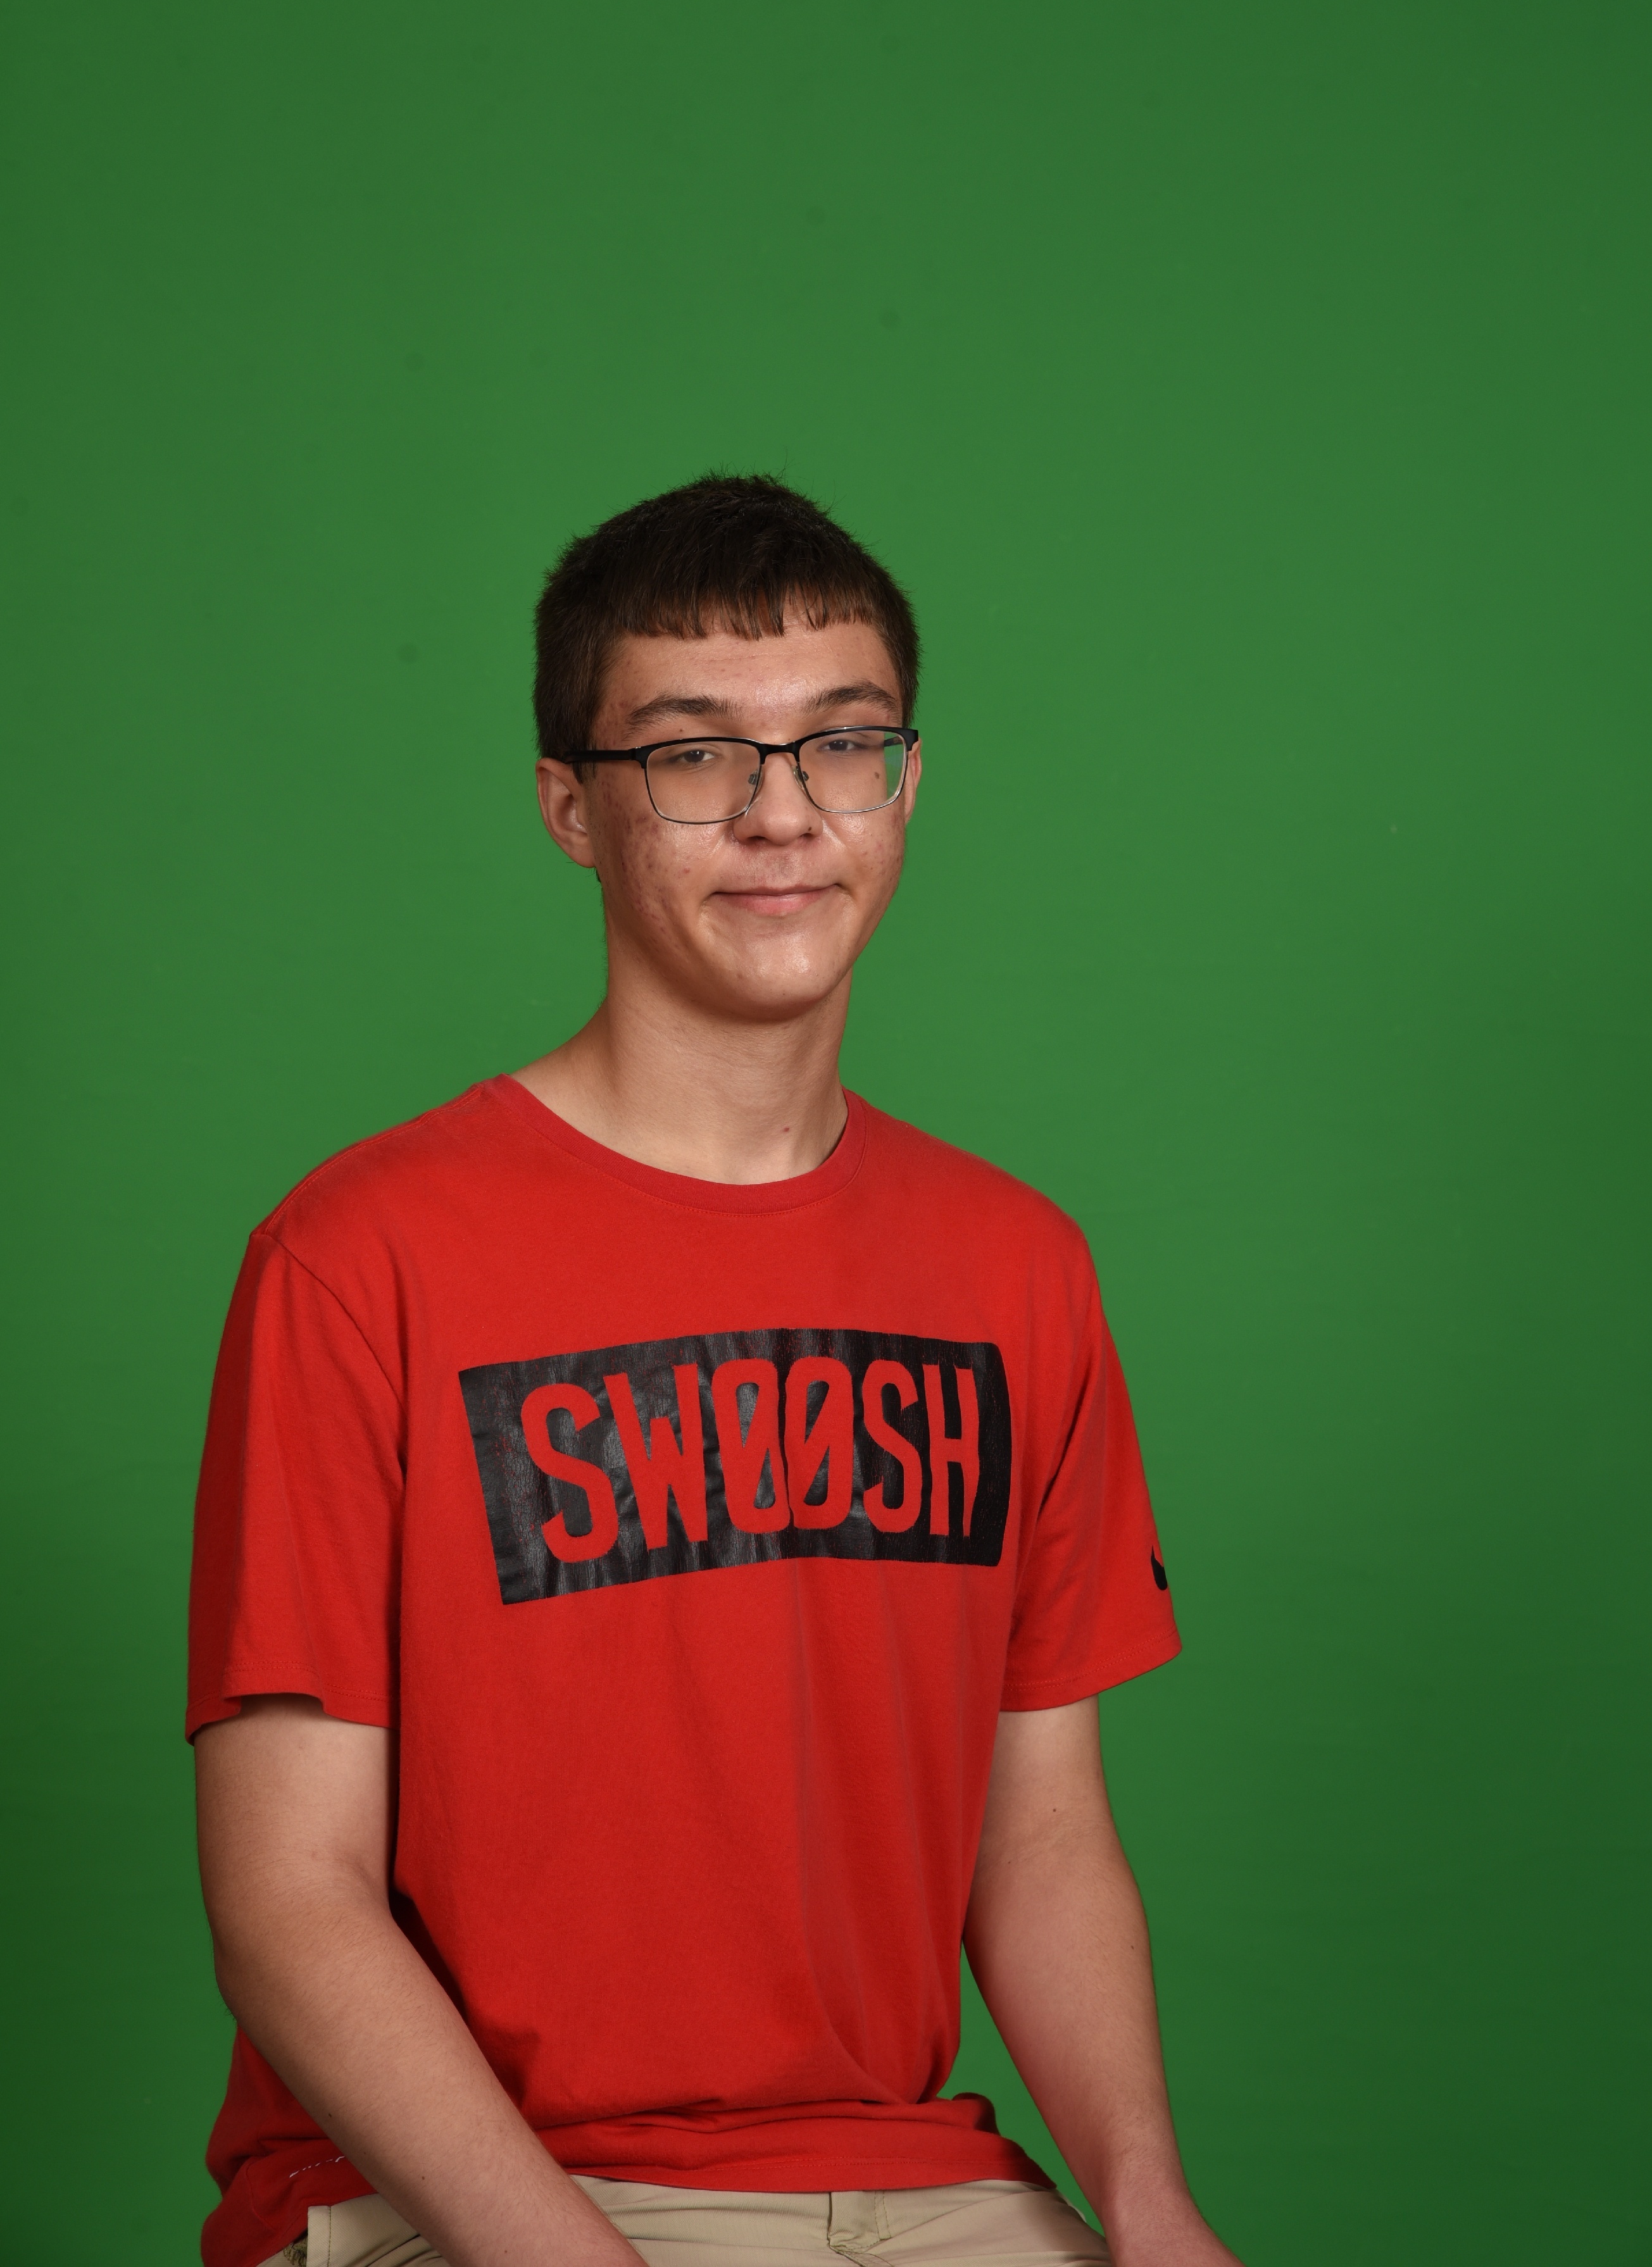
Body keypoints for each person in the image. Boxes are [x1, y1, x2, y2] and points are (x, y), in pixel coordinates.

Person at [189, 475, 1239, 2267]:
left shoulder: (1016, 1268)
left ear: (904, 783)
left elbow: (1041, 1830)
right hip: (469, 2199)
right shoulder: (358, 1261)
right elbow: (289, 1898)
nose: (780, 813)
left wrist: (1149, 2211)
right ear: (572, 811)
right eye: (692, 756)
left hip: (914, 2186)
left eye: (842, 744)